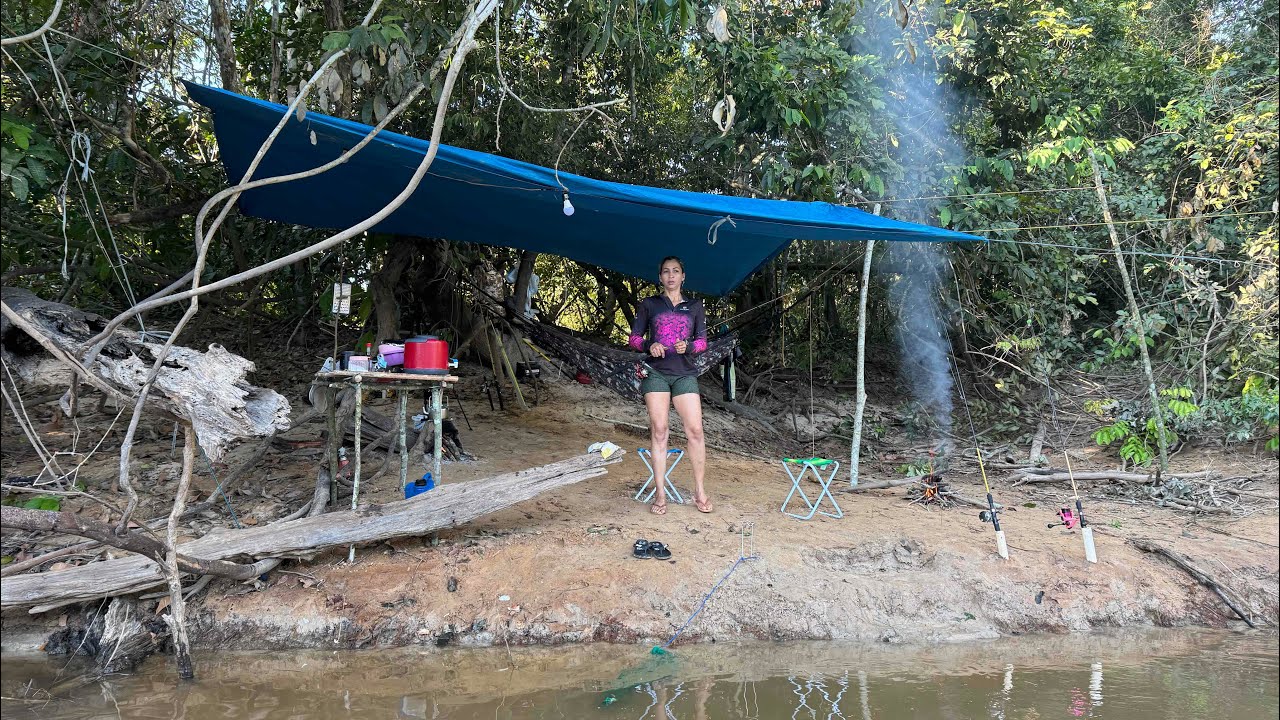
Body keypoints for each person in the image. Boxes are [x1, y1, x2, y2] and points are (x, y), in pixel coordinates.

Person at [627, 256, 713, 515]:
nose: (671, 275)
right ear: (661, 277)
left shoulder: (695, 306)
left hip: (684, 373)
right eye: (666, 271)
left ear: (683, 276)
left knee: (695, 430)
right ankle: (661, 494)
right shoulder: (649, 304)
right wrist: (647, 345)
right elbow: (633, 338)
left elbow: (702, 342)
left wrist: (688, 346)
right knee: (660, 430)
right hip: (656, 374)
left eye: (676, 271)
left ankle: (699, 490)